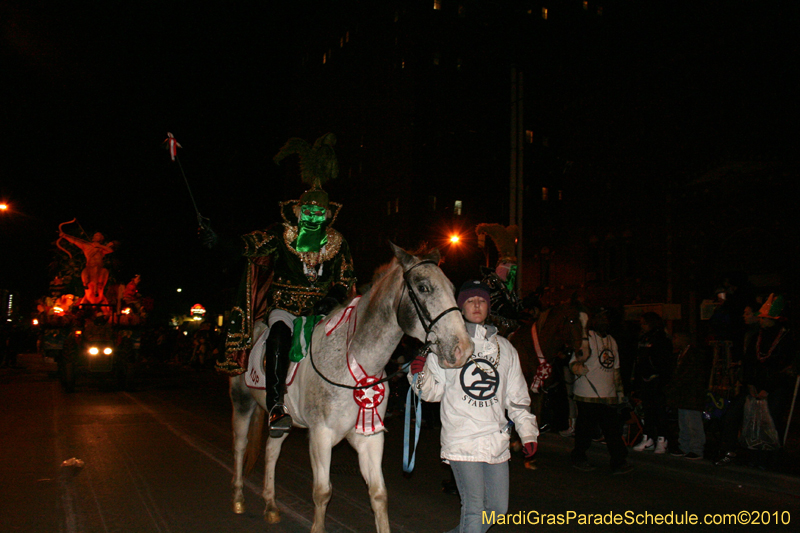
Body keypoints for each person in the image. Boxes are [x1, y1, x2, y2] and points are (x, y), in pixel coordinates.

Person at [203, 133, 355, 436]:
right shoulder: (280, 235)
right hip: (284, 306)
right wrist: (219, 241)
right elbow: (248, 245)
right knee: (279, 336)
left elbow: (345, 279)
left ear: (327, 215)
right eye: (308, 211)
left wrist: (333, 297)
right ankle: (275, 406)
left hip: (323, 311)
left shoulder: (339, 243)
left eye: (319, 213)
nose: (313, 216)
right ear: (298, 212)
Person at [409, 280, 538, 533]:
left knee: (498, 510)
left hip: (495, 438)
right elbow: (432, 392)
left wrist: (528, 432)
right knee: (474, 508)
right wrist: (418, 375)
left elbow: (517, 397)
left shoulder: (506, 348)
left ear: (488, 306)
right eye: (470, 301)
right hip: (462, 437)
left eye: (481, 300)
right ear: (460, 307)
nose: (477, 305)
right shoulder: (448, 343)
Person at [716, 294, 795, 468]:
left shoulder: (786, 339)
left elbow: (785, 368)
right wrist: (750, 384)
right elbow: (749, 361)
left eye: (764, 318)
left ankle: (769, 460)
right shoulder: (756, 337)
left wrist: (768, 388)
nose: (761, 321)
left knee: (770, 421)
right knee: (742, 416)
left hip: (774, 388)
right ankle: (747, 454)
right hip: (753, 386)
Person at [569, 309, 632, 474]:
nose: (604, 321)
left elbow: (616, 370)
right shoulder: (586, 338)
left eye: (606, 318)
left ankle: (619, 461)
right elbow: (573, 363)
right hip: (587, 394)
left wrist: (619, 394)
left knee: (612, 431)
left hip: (608, 395)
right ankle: (578, 456)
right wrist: (579, 368)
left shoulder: (612, 341)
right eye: (600, 318)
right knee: (585, 429)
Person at [632, 312, 674, 454]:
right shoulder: (643, 338)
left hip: (657, 379)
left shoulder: (661, 338)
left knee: (659, 411)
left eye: (644, 323)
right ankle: (648, 437)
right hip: (645, 379)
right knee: (647, 410)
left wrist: (661, 377)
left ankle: (662, 439)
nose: (642, 326)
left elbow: (664, 361)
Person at [665, 332, 708, 460]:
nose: (674, 340)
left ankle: (696, 448)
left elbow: (690, 374)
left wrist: (675, 384)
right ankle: (684, 446)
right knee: (683, 421)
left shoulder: (694, 354)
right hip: (683, 394)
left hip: (692, 393)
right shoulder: (680, 354)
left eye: (676, 337)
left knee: (692, 421)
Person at [58, 231, 115, 305]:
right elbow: (75, 241)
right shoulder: (86, 246)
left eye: (98, 235)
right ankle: (86, 285)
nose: (95, 236)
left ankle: (97, 289)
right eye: (95, 235)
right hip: (90, 267)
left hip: (100, 268)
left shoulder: (101, 249)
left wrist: (99, 246)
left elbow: (110, 250)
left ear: (101, 239)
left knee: (103, 272)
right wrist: (65, 236)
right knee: (86, 275)